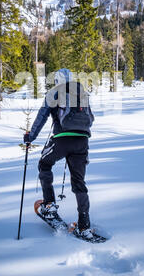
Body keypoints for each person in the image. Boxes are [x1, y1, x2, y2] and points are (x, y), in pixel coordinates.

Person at [24, 68, 94, 240]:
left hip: (61, 139)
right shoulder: (81, 92)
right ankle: (84, 225)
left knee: (45, 163)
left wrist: (30, 137)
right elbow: (90, 118)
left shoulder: (53, 93)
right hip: (82, 141)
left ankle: (49, 205)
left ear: (56, 81)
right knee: (79, 182)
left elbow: (41, 117)